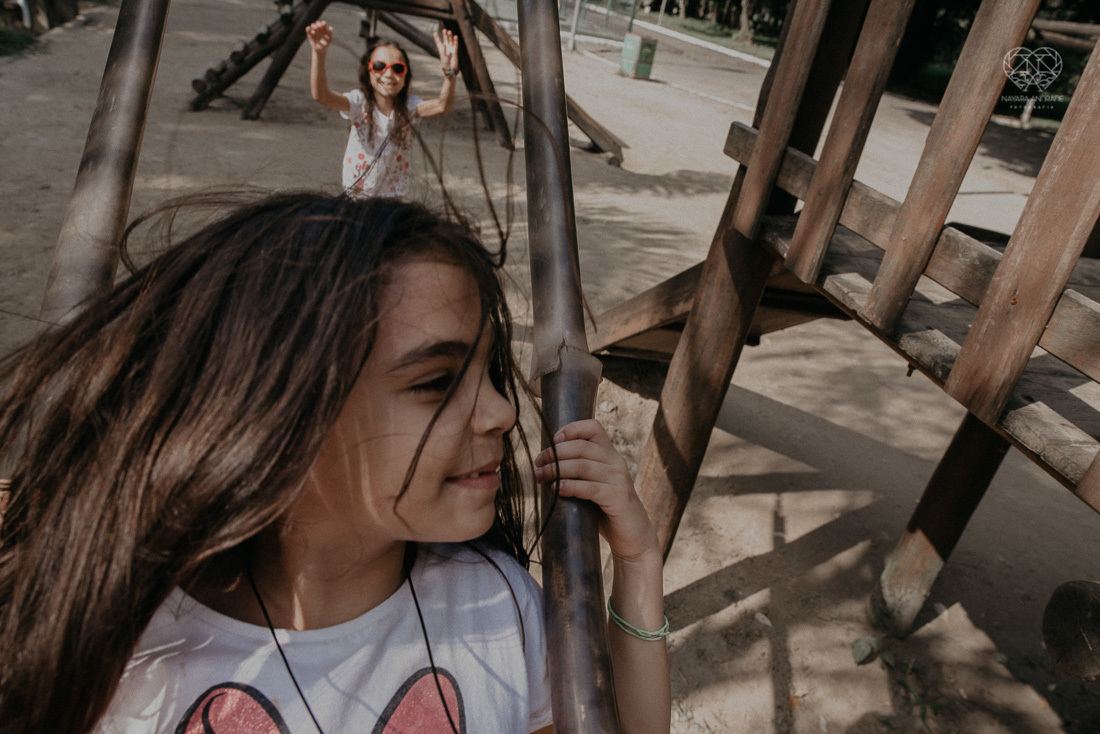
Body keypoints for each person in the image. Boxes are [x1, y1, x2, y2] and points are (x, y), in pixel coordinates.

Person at [0, 192, 671, 733]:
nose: (500, 412)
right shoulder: (132, 668)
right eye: (436, 383)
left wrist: (637, 568)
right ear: (279, 417)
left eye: (488, 372)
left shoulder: (496, 605)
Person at [306, 20, 459, 197]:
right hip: (357, 195)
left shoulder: (409, 107)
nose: (388, 74)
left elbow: (443, 105)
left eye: (397, 68)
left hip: (392, 199)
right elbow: (322, 95)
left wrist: (450, 74)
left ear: (406, 76)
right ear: (368, 70)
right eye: (379, 66)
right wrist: (318, 53)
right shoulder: (359, 102)